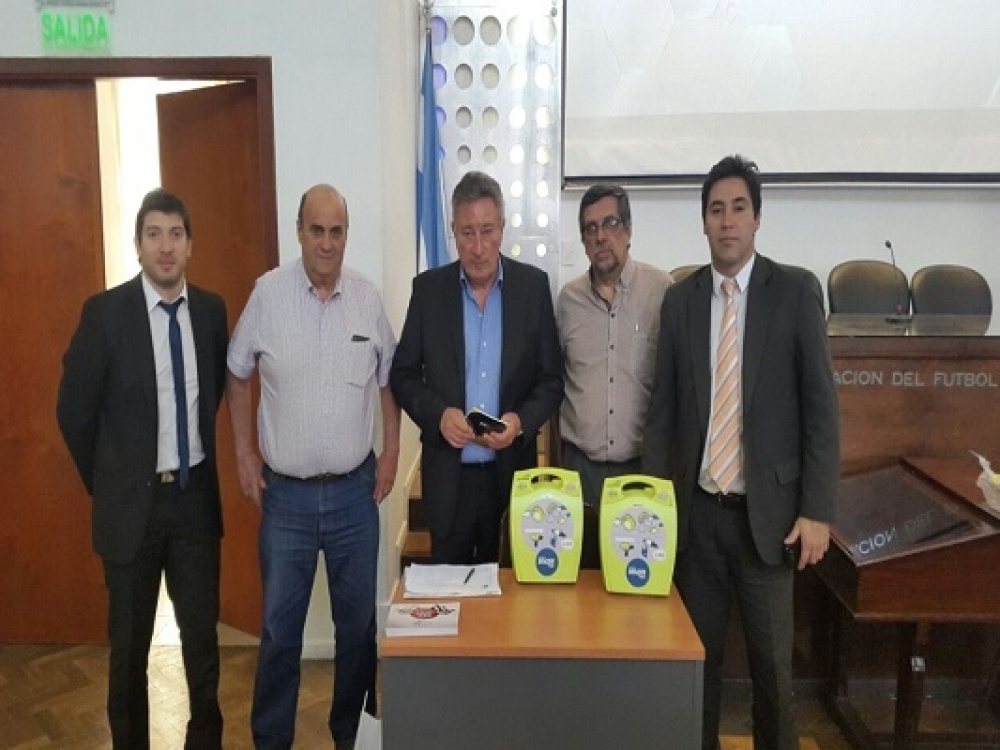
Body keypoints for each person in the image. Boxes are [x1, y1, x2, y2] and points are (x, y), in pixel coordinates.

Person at [642, 155, 840, 750]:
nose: (727, 222)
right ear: (703, 222)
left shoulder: (795, 292)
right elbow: (662, 416)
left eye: (738, 209)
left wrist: (817, 511)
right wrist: (655, 508)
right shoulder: (680, 301)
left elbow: (821, 411)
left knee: (773, 676)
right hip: (698, 520)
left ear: (757, 218)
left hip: (769, 523)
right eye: (715, 210)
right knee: (694, 671)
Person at [226, 184, 400, 750]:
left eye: (337, 231)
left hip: (354, 495)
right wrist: (244, 453)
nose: (327, 243)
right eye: (317, 230)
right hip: (287, 501)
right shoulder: (268, 295)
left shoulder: (367, 299)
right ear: (299, 231)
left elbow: (389, 381)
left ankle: (352, 736)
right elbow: (236, 372)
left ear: (347, 235)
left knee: (358, 632)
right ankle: (271, 741)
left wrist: (392, 452)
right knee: (279, 633)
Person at [57, 188, 228, 749]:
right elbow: (74, 411)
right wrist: (110, 482)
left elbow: (211, 396)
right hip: (132, 510)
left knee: (202, 646)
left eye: (176, 234)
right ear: (138, 245)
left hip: (194, 502)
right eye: (154, 234)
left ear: (190, 245)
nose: (165, 246)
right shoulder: (104, 314)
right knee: (129, 653)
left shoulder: (210, 312)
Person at [390, 170, 563, 564]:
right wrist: (439, 415)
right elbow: (403, 375)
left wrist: (519, 422)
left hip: (510, 477)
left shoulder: (532, 288)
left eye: (488, 231)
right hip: (449, 481)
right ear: (453, 231)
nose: (479, 247)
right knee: (449, 593)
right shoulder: (429, 291)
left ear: (502, 227)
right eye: (467, 233)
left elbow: (551, 380)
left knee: (508, 593)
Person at [557, 183, 673, 506]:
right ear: (583, 240)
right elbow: (553, 380)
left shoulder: (662, 291)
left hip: (642, 469)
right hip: (580, 470)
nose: (601, 236)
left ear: (628, 229)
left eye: (610, 223)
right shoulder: (568, 301)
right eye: (590, 228)